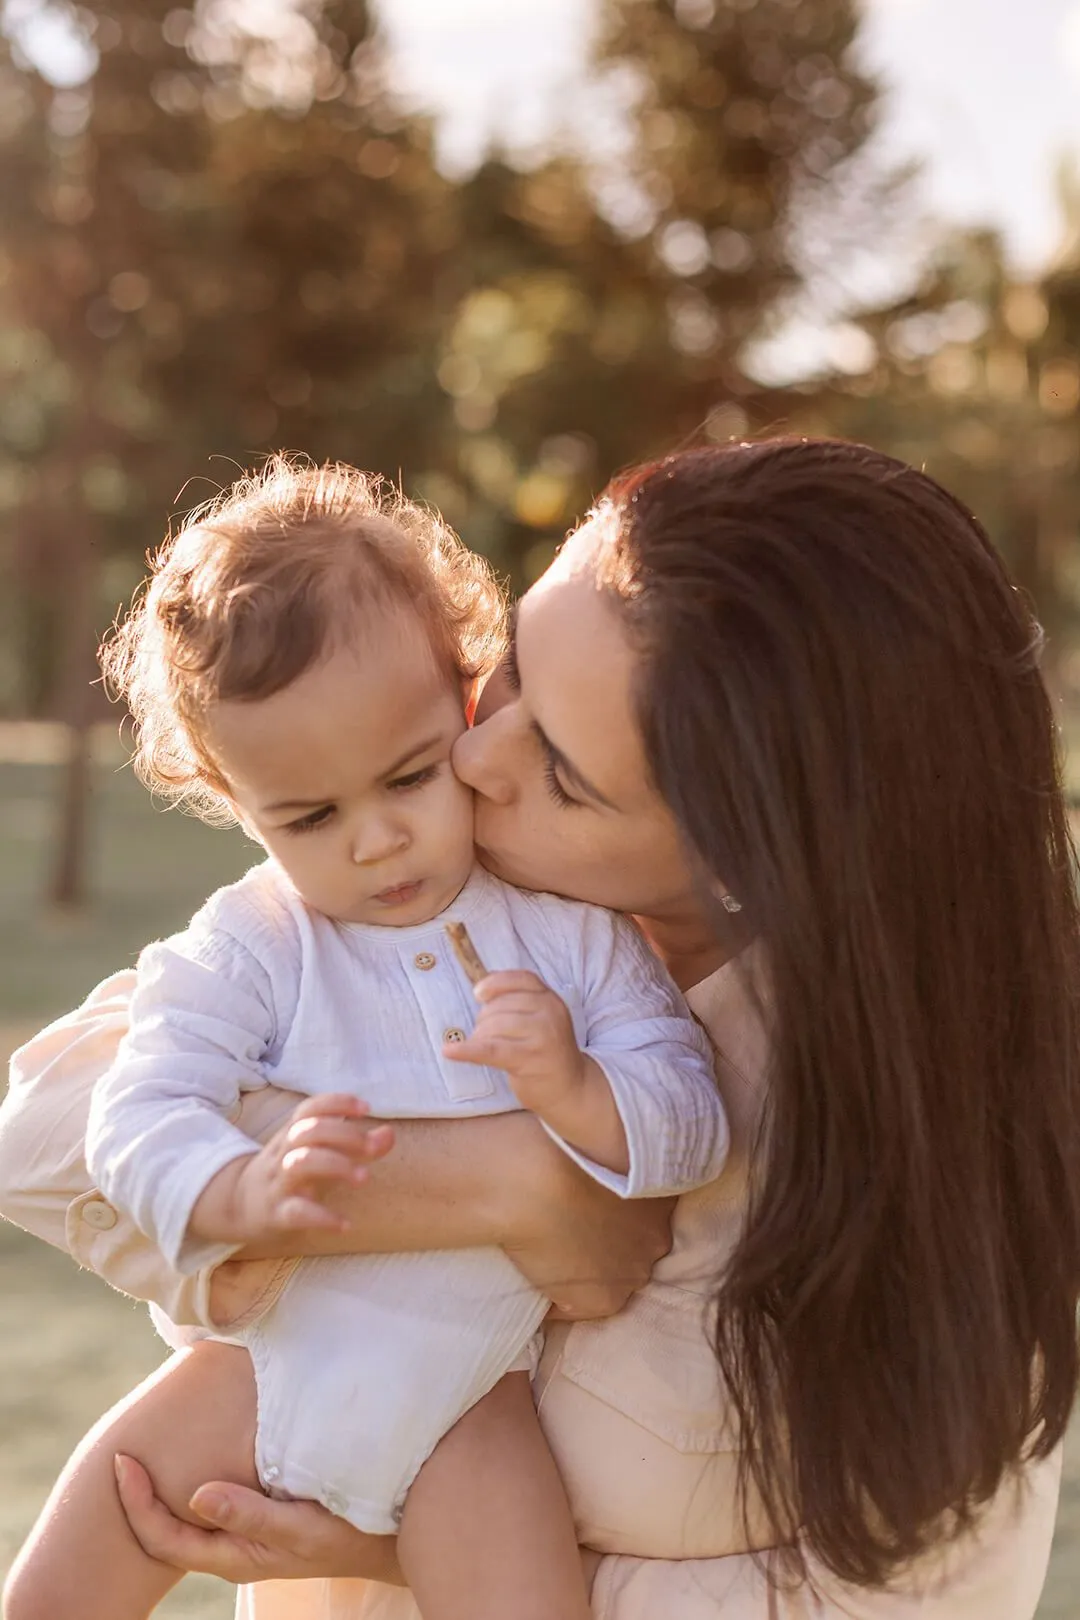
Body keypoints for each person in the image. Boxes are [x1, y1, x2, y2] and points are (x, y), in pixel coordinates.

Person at [2, 438, 1078, 1620]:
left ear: (744, 858)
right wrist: (510, 1184)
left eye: (562, 771)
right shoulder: (365, 917)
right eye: (506, 669)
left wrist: (401, 1548)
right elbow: (44, 1128)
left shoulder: (930, 1161)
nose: (473, 756)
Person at [0, 458, 725, 1620]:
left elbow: (690, 1115)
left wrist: (578, 1084)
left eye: (410, 775)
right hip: (261, 1373)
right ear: (237, 804)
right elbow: (136, 1109)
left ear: (464, 693)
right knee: (96, 1533)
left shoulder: (572, 936)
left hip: (474, 1410)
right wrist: (233, 1193)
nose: (380, 841)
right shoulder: (251, 946)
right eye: (312, 816)